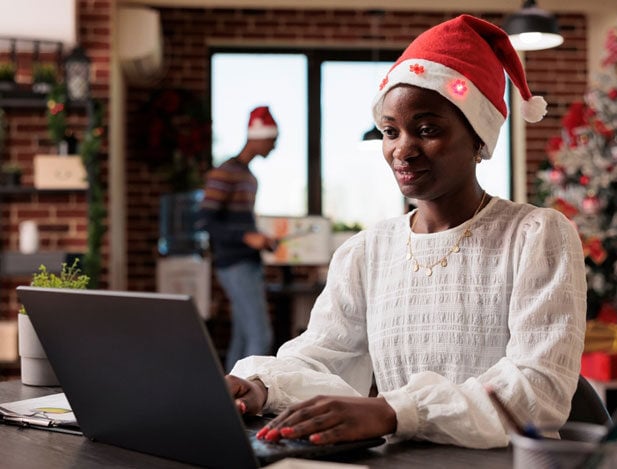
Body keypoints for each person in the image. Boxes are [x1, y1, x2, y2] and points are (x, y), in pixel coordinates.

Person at [225, 15, 587, 449]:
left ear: (479, 138)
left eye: (428, 129)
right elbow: (324, 357)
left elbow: (537, 390)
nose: (402, 149)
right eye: (390, 131)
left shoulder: (535, 236)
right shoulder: (367, 251)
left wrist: (394, 411)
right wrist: (263, 387)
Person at [199, 106, 279, 372]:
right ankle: (247, 399)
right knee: (261, 336)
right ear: (257, 136)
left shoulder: (248, 176)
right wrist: (247, 237)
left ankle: (229, 398)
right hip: (234, 264)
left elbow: (239, 222)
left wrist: (260, 239)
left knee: (244, 336)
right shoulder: (224, 173)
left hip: (247, 262)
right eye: (273, 139)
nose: (274, 146)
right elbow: (206, 221)